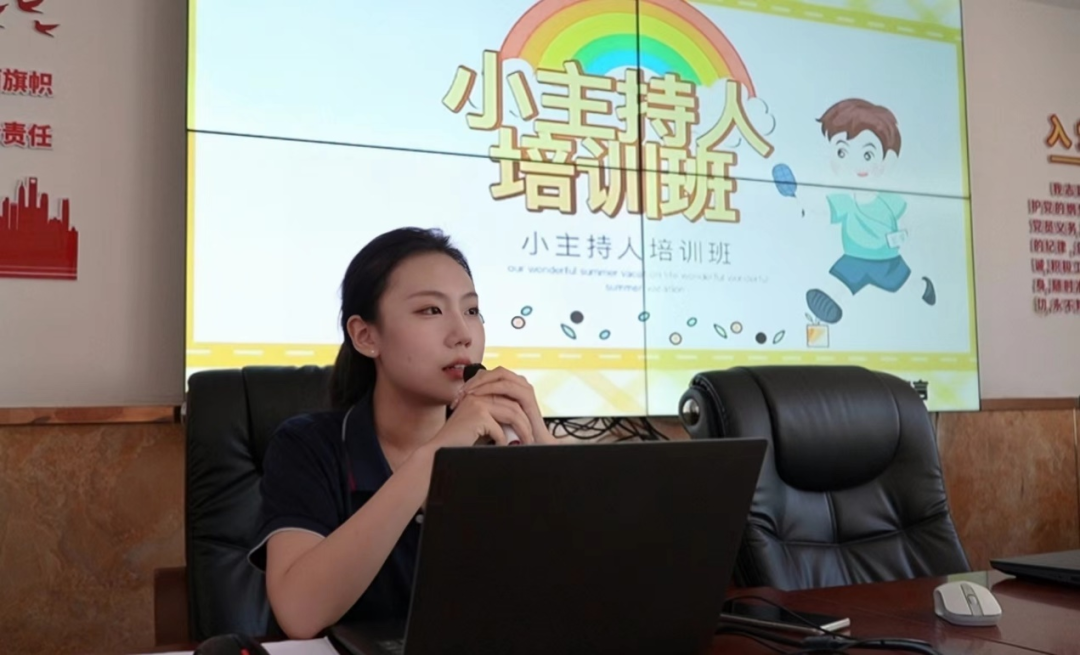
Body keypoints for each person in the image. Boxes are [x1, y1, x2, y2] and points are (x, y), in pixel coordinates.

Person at [247, 227, 559, 639]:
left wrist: (550, 463)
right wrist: (435, 455)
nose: (463, 334)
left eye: (471, 310)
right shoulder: (308, 445)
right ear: (366, 336)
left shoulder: (500, 445)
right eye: (431, 310)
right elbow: (300, 614)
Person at [805, 98, 936, 325]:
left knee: (905, 285)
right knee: (841, 280)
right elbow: (825, 210)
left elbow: (908, 218)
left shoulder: (888, 199)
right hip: (853, 256)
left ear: (887, 160)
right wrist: (803, 203)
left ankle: (923, 287)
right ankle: (829, 301)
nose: (855, 163)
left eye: (867, 155)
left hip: (886, 259)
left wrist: (904, 233)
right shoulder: (846, 200)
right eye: (842, 152)